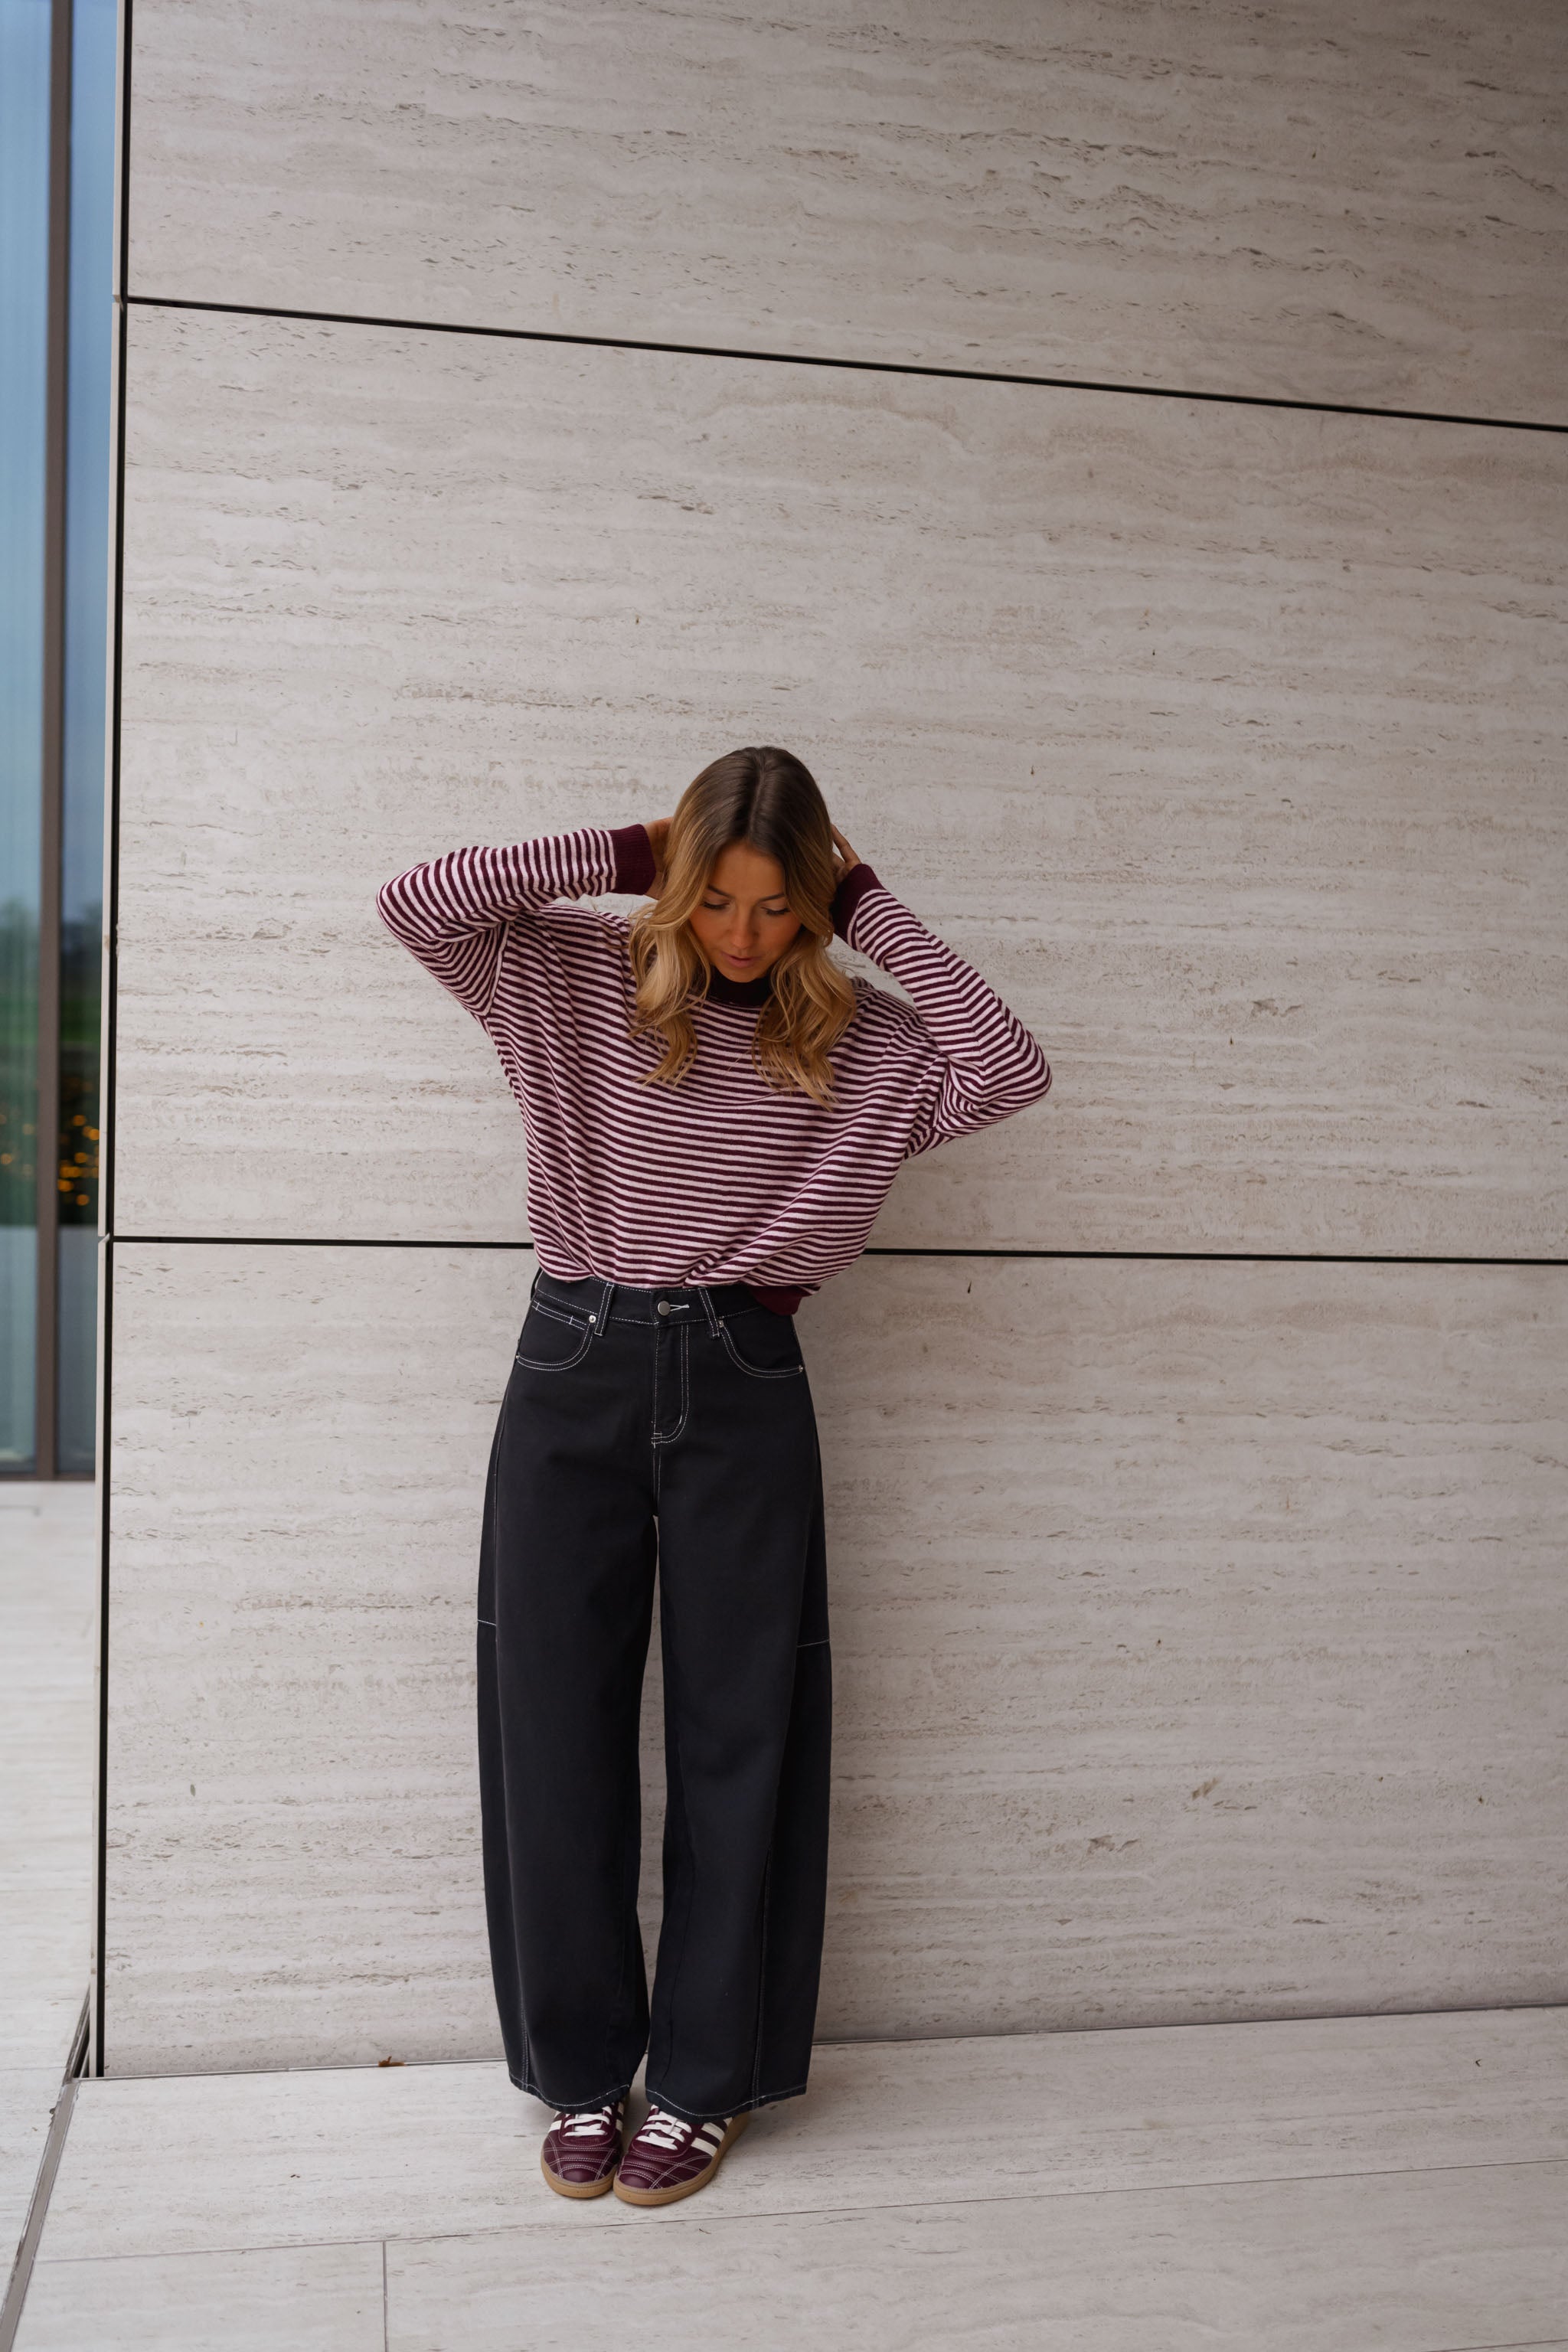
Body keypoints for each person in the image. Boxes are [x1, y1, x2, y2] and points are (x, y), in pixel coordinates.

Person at [377, 745, 1050, 2208]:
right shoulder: (574, 985)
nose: (741, 937)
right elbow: (420, 902)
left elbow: (1009, 1062)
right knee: (550, 1725)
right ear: (677, 888)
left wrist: (863, 898)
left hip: (745, 1378)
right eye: (717, 902)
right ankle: (576, 2073)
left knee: (746, 1736)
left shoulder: (864, 1044)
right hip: (572, 1361)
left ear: (814, 910)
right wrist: (636, 847)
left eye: (776, 909)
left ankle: (698, 2083)